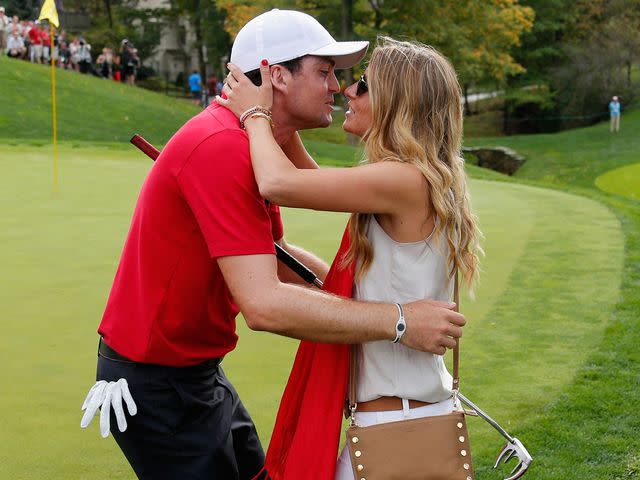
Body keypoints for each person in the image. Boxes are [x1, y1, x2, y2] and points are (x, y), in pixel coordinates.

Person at [80, 9, 466, 480]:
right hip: (160, 384)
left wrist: (267, 124)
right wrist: (398, 317)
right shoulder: (223, 146)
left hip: (197, 375)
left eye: (345, 77)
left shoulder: (251, 147)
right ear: (276, 76)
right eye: (324, 71)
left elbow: (275, 250)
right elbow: (263, 303)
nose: (337, 86)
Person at [217, 36, 482, 479]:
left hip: (395, 432)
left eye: (363, 84)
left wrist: (255, 113)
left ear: (396, 105)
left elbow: (279, 182)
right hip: (402, 421)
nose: (347, 91)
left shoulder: (404, 180)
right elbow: (308, 178)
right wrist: (286, 114)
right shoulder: (417, 179)